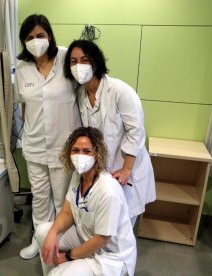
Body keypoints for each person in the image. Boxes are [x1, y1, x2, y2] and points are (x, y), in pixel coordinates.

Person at [63, 39, 156, 226]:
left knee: (123, 225)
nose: (78, 65)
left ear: (95, 62)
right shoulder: (81, 94)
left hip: (127, 167)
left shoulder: (120, 91)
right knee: (107, 223)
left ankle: (121, 255)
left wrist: (127, 169)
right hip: (105, 169)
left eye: (84, 59)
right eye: (73, 61)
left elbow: (136, 131)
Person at [15, 14, 82, 259]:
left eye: (40, 36)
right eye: (30, 38)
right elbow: (24, 105)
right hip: (34, 146)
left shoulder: (66, 58)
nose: (35, 41)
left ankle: (59, 243)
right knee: (40, 198)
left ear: (50, 36)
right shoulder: (22, 68)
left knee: (61, 200)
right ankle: (39, 239)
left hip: (64, 146)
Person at [36, 127, 137, 276]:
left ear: (97, 154)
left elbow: (102, 240)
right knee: (42, 232)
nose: (80, 155)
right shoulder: (78, 176)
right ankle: (54, 271)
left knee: (59, 274)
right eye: (75, 150)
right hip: (86, 237)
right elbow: (66, 212)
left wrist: (68, 256)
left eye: (86, 151)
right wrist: (52, 233)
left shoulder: (108, 191)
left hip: (109, 256)